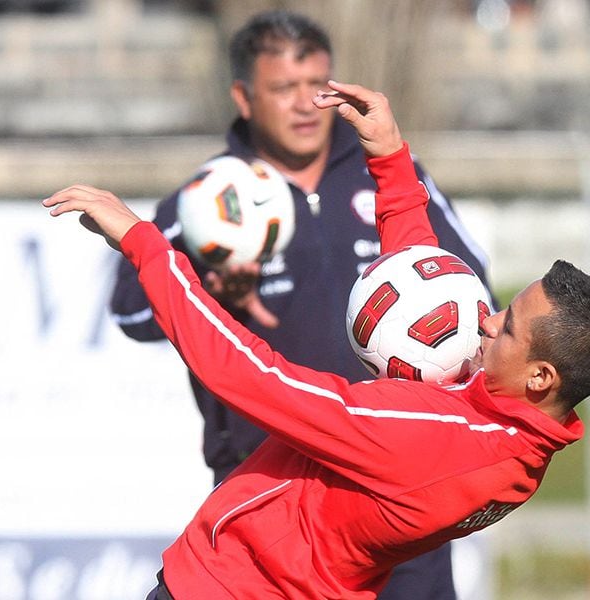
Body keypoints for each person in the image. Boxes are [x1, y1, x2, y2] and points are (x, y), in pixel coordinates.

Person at [44, 79, 590, 600]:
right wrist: (390, 160)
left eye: (507, 325)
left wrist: (146, 246)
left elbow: (251, 378)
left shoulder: (436, 438)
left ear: (541, 376)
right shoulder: (512, 427)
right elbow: (422, 292)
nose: (486, 320)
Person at [110, 11, 492, 597]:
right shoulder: (208, 201)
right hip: (272, 493)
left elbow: (472, 285)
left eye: (317, 86)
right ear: (243, 96)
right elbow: (132, 313)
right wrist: (216, 289)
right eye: (283, 89)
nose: (305, 105)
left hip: (400, 481)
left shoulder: (388, 175)